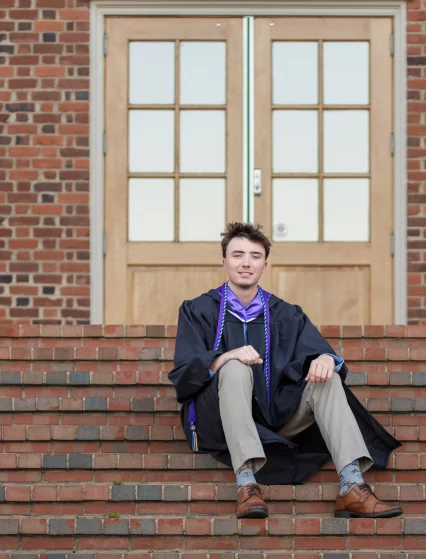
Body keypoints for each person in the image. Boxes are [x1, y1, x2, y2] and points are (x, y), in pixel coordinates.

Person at [168, 221, 401, 520]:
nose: (245, 263)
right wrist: (227, 357)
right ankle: (247, 485)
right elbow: (186, 371)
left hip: (275, 414)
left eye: (254, 256)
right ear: (224, 261)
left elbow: (316, 351)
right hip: (218, 419)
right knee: (236, 367)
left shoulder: (286, 314)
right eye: (238, 255)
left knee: (327, 378)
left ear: (264, 265)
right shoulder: (199, 309)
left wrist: (327, 359)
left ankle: (352, 486)